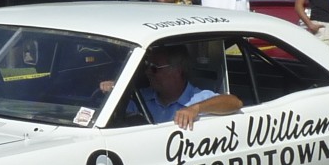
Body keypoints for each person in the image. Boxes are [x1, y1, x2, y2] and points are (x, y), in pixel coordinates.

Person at [102, 45, 242, 129]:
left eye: (155, 68)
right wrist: (113, 91)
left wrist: (195, 109)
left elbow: (235, 102)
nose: (148, 72)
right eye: (148, 67)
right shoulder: (142, 97)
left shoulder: (197, 98)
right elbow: (115, 115)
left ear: (177, 70)